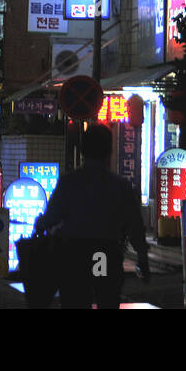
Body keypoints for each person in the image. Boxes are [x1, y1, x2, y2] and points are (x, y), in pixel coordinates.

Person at [33, 124, 151, 309]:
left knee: (75, 299)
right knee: (106, 297)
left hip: (74, 252)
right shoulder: (120, 186)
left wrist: (40, 224)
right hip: (105, 251)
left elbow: (52, 217)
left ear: (82, 150)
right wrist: (142, 256)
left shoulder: (69, 181)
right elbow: (134, 224)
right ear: (109, 151)